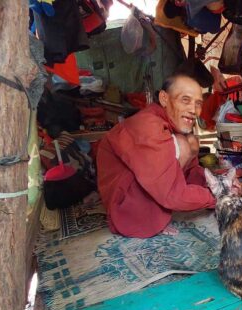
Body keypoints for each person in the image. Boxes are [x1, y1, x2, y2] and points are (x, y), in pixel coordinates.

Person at [97, 74, 226, 238]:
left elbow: (191, 172)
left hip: (147, 188)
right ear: (164, 98)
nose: (193, 110)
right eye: (185, 100)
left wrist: (218, 184)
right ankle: (148, 218)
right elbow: (172, 193)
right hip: (124, 206)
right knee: (183, 144)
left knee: (191, 141)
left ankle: (155, 212)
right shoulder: (148, 125)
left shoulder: (173, 123)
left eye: (198, 103)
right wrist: (218, 198)